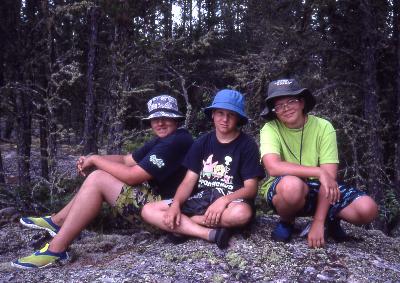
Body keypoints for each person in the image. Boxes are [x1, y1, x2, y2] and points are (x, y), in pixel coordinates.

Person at [12, 95, 193, 269]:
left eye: (165, 118)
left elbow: (132, 176)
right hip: (161, 204)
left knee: (98, 178)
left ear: (176, 119)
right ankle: (56, 222)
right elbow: (125, 160)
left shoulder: (176, 141)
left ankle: (55, 249)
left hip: (168, 215)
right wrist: (91, 158)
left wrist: (97, 160)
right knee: (99, 175)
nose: (160, 123)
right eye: (155, 119)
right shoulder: (165, 139)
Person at [259, 78, 378, 248]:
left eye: (291, 101)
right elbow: (273, 166)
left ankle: (330, 218)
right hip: (285, 189)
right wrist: (318, 171)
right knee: (292, 186)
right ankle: (287, 221)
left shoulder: (324, 127)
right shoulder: (270, 128)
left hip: (320, 188)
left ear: (301, 103)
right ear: (274, 110)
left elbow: (328, 178)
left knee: (368, 209)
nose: (285, 108)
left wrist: (318, 221)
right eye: (279, 105)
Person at [141, 89, 265, 249]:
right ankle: (209, 234)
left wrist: (223, 201)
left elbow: (251, 188)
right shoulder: (202, 142)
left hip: (232, 200)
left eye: (231, 115)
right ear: (212, 114)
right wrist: (176, 205)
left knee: (242, 214)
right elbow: (188, 181)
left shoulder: (247, 145)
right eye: (220, 113)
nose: (225, 119)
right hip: (202, 197)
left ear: (238, 118)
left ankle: (187, 224)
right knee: (148, 210)